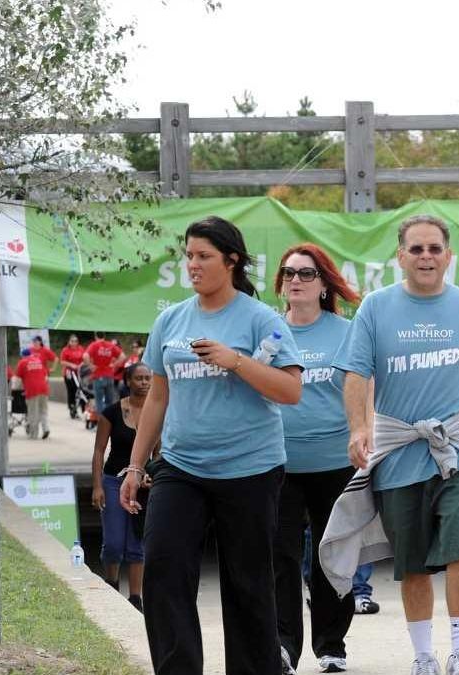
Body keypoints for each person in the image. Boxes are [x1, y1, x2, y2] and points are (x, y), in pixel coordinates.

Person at [321, 214, 459, 675]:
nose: (426, 257)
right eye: (416, 249)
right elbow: (355, 374)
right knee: (412, 563)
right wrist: (358, 428)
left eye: (434, 249)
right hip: (397, 452)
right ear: (401, 256)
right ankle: (423, 656)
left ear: (449, 256)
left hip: (456, 453)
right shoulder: (375, 307)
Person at [118, 215, 303, 675]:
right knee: (163, 569)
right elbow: (158, 396)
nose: (193, 265)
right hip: (180, 467)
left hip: (250, 469)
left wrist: (235, 360)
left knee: (247, 584)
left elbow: (290, 391)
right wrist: (136, 466)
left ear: (232, 260)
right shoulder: (171, 320)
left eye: (203, 256)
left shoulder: (262, 320)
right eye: (189, 256)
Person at [272, 243, 362, 674]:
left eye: (306, 274)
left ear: (324, 284)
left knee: (332, 555)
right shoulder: (266, 331)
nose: (296, 280)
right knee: (281, 557)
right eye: (289, 273)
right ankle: (284, 646)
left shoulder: (346, 333)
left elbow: (365, 395)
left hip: (336, 463)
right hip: (277, 464)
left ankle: (331, 645)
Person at [91, 361, 154, 611]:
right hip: (113, 481)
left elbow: (159, 453)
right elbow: (98, 451)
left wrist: (153, 475)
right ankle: (112, 583)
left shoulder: (156, 411)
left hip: (143, 484)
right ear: (128, 381)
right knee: (115, 543)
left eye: (148, 378)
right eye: (139, 378)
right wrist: (97, 486)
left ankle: (136, 598)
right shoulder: (111, 412)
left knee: (137, 543)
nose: (144, 383)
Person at [85, 331, 124, 418]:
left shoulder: (94, 345)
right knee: (109, 401)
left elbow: (85, 356)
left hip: (98, 375)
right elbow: (122, 356)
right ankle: (109, 421)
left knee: (99, 401)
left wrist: (90, 366)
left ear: (96, 336)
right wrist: (114, 365)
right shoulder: (110, 345)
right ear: (104, 336)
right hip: (109, 376)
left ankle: (101, 423)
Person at [15, 346, 51, 439]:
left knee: (33, 412)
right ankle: (46, 428)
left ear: (23, 355)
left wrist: (16, 390)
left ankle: (33, 435)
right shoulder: (38, 360)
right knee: (43, 411)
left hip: (32, 390)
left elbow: (18, 380)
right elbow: (46, 376)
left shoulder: (23, 362)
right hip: (44, 389)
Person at [61, 334, 86, 419]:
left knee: (81, 390)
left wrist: (81, 365)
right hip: (69, 373)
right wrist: (72, 365)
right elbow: (62, 362)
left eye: (76, 341)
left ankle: (84, 410)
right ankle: (72, 410)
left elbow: (85, 359)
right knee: (71, 391)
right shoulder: (65, 350)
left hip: (79, 372)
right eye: (72, 341)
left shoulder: (81, 348)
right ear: (69, 342)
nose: (74, 343)